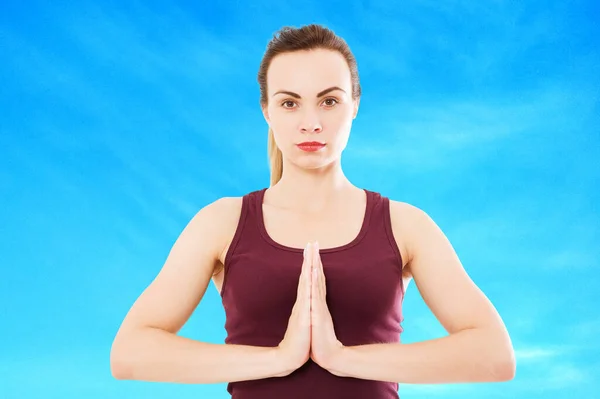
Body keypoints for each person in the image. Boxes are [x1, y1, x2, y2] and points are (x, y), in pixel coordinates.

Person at [109, 24, 516, 398]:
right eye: (289, 103)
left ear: (355, 104)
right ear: (266, 111)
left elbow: (494, 354)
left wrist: (341, 357)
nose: (311, 123)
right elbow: (130, 351)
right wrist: (278, 359)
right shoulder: (222, 223)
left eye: (329, 101)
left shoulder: (405, 226)